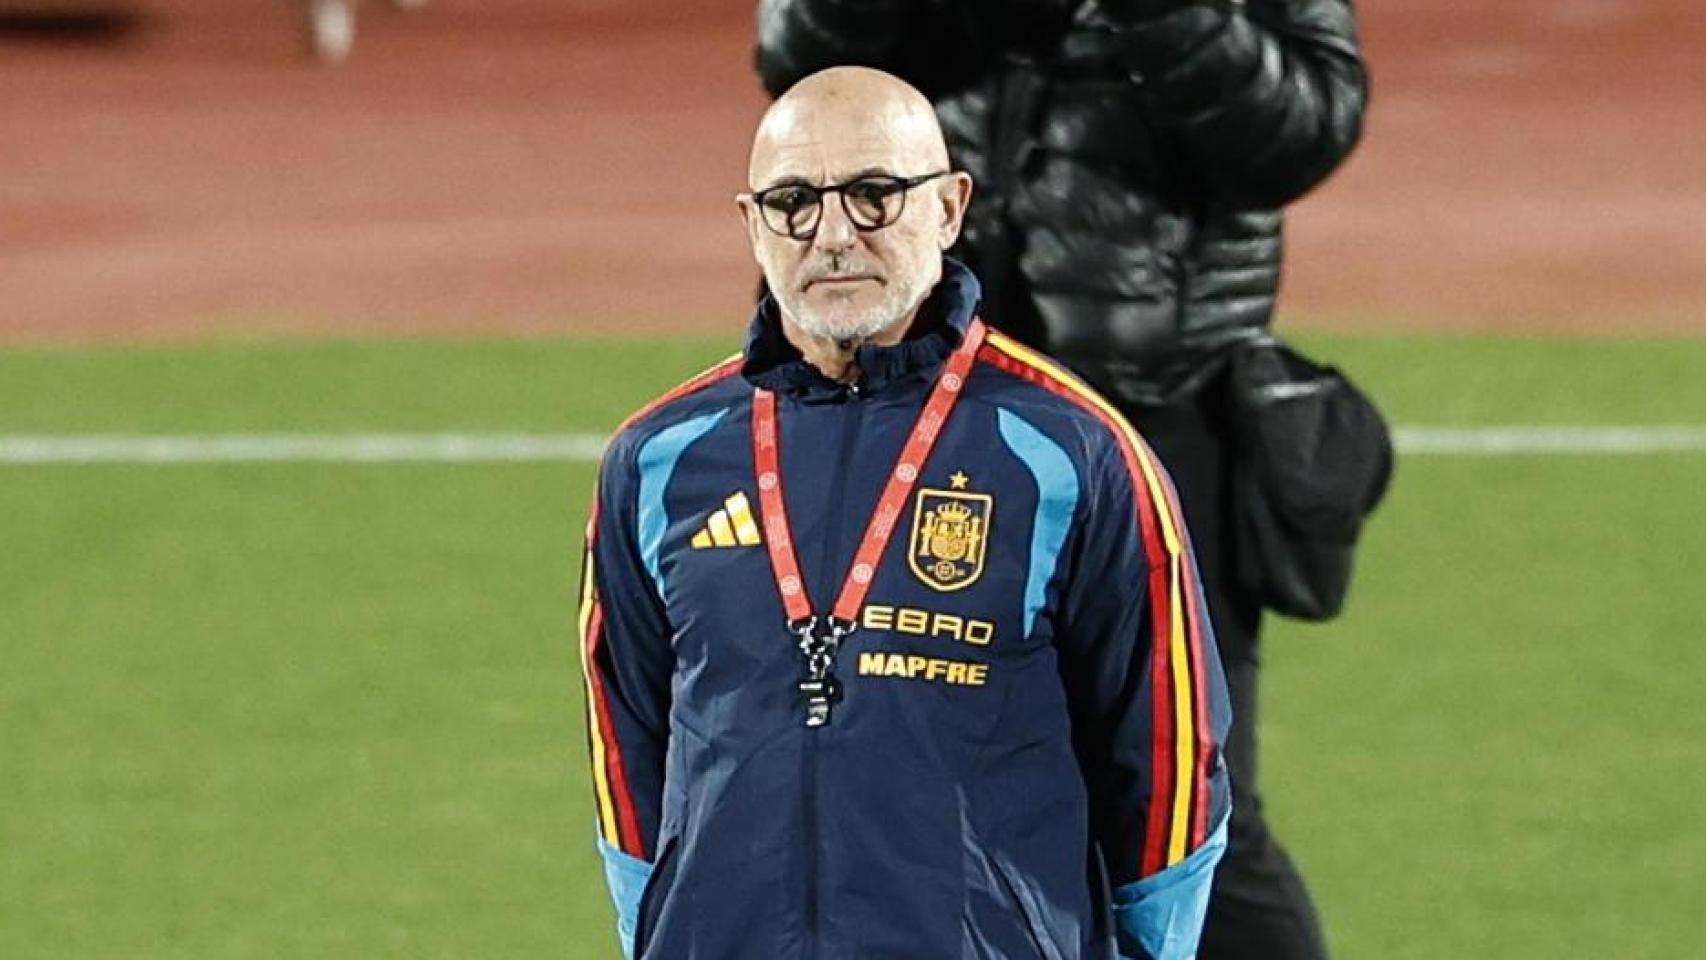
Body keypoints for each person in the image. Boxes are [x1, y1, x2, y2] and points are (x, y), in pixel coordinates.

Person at [756, 3, 1371, 958]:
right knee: (889, 769)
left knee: (1185, 796)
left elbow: (1296, 134)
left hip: (1157, 408)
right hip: (921, 392)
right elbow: (798, 61)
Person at [579, 66, 1231, 960]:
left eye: (875, 194)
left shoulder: (1075, 453)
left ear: (950, 207)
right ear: (752, 225)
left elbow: (1167, 764)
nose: (834, 234)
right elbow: (626, 754)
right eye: (794, 202)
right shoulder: (659, 460)